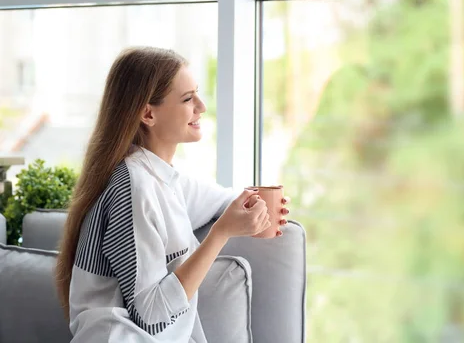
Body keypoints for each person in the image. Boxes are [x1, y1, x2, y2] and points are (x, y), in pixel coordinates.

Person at [54, 46, 290, 342]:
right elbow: (150, 317)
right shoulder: (133, 188)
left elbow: (226, 199)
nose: (202, 106)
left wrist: (264, 206)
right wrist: (220, 234)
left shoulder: (163, 178)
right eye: (188, 98)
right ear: (148, 113)